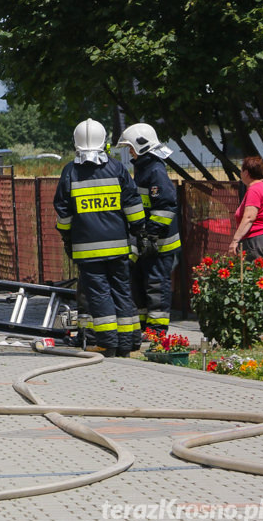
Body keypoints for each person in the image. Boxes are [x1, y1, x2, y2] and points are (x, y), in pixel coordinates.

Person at [54, 118, 145, 357]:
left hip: (87, 250)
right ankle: (127, 343)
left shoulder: (70, 172)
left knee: (100, 295)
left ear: (76, 142)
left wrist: (67, 238)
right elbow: (133, 204)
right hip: (118, 247)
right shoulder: (117, 169)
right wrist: (139, 231)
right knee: (122, 291)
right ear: (103, 141)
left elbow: (63, 214)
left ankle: (108, 343)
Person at [117, 123, 181, 336]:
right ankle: (145, 326)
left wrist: (152, 232)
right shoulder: (144, 168)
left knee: (156, 285)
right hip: (147, 242)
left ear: (142, 146)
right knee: (140, 284)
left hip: (160, 243)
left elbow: (166, 204)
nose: (129, 152)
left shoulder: (155, 170)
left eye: (131, 147)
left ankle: (157, 330)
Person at [229, 156, 263, 270]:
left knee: (254, 282)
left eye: (241, 170)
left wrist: (235, 241)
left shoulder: (254, 190)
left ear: (246, 173)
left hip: (256, 242)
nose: (240, 173)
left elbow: (249, 217)